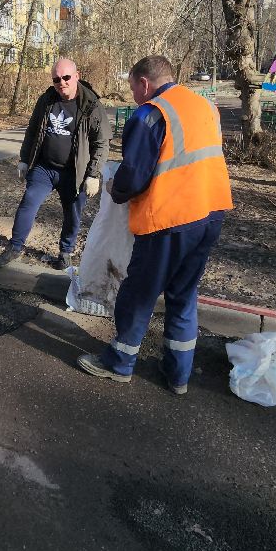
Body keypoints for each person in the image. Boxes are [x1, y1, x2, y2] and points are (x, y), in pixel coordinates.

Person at [77, 54, 233, 394]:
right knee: (182, 294)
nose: (133, 94)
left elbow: (133, 178)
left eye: (133, 87)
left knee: (138, 293)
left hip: (171, 219)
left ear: (144, 83)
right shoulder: (204, 106)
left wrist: (113, 190)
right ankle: (178, 376)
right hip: (211, 213)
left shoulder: (150, 114)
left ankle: (119, 362)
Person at [0, 58, 111, 270]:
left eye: (66, 77)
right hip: (44, 167)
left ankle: (65, 252)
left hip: (74, 172)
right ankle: (15, 247)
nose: (61, 83)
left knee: (73, 213)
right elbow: (32, 131)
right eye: (56, 79)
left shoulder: (91, 105)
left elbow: (101, 142)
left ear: (77, 76)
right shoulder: (47, 100)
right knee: (28, 202)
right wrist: (24, 159)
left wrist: (94, 174)